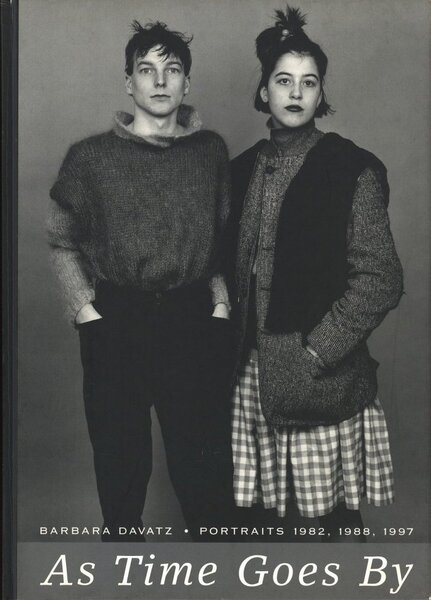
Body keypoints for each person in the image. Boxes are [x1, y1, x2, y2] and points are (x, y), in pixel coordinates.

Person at [47, 20, 236, 541]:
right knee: (119, 464)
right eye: (146, 70)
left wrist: (220, 307)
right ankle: (122, 567)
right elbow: (61, 240)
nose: (159, 81)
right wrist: (85, 310)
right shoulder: (90, 158)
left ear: (186, 83)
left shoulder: (210, 153)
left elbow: (223, 241)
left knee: (204, 468)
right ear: (128, 81)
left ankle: (214, 573)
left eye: (171, 70)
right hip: (118, 319)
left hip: (191, 319)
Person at [230, 5, 403, 542]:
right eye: (284, 80)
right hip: (250, 376)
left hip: (320, 374)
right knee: (262, 526)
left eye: (309, 82)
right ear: (264, 90)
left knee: (332, 526)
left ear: (321, 92)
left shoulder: (351, 168)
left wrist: (316, 352)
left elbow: (380, 278)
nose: (296, 93)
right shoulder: (240, 169)